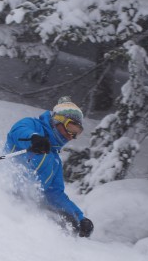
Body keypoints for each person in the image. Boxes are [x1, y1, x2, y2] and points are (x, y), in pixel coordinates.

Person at [5, 96, 94, 238]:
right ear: (58, 120)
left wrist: (80, 217)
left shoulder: (55, 161)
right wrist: (34, 138)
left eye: (77, 132)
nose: (71, 136)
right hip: (2, 194)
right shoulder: (33, 126)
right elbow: (18, 130)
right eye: (71, 128)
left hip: (21, 209)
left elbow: (55, 194)